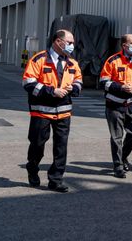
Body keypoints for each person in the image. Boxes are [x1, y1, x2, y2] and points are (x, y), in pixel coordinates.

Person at [22, 29, 82, 192]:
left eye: (73, 43)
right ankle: (32, 167)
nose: (72, 46)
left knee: (61, 147)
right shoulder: (39, 59)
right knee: (37, 144)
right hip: (41, 112)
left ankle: (56, 179)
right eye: (69, 42)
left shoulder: (72, 63)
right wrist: (52, 91)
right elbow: (28, 83)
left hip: (64, 111)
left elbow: (78, 81)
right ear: (58, 42)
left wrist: (73, 88)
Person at [99, 34, 132, 178]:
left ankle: (122, 156)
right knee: (117, 137)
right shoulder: (112, 61)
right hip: (115, 105)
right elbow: (103, 82)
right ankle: (118, 167)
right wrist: (120, 87)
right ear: (124, 45)